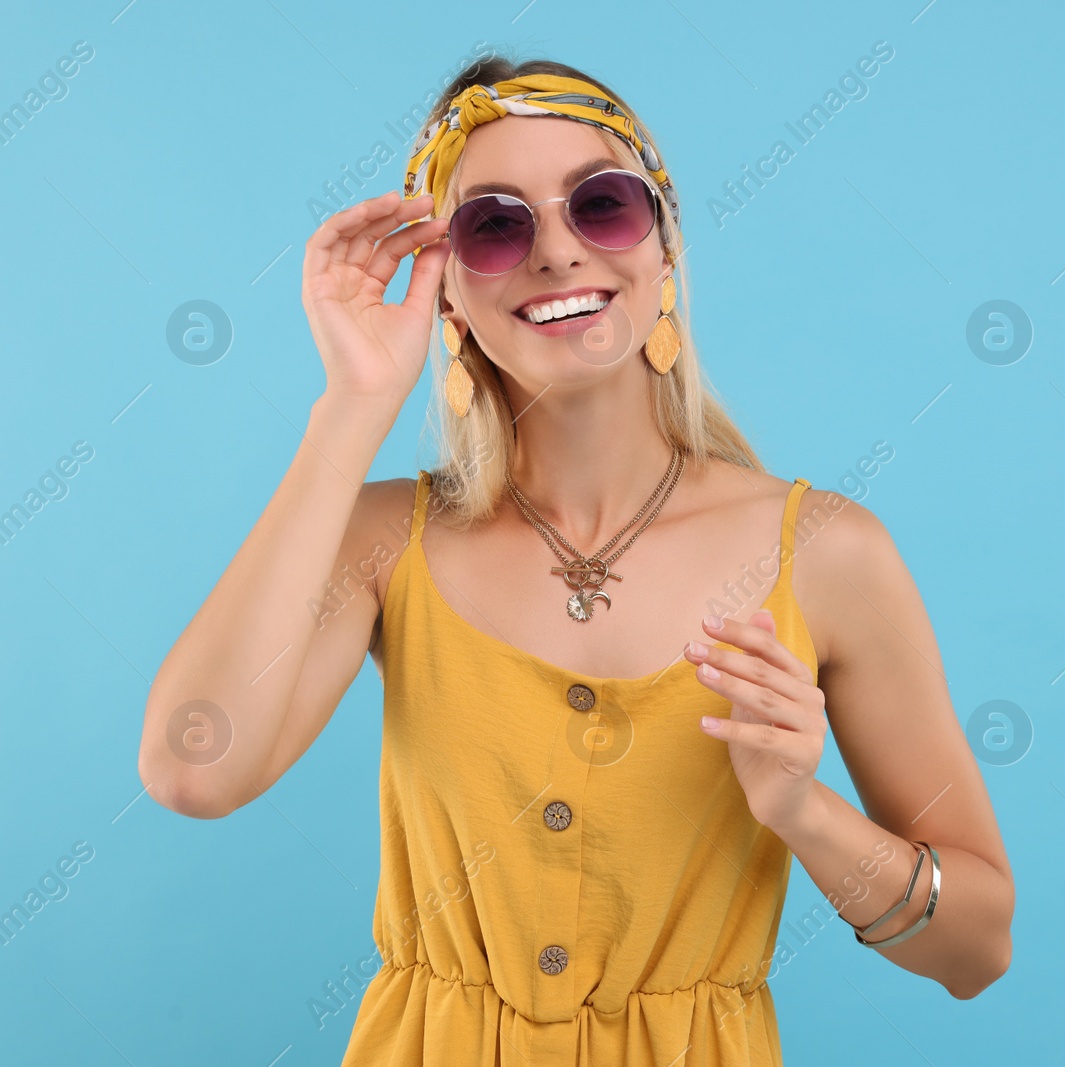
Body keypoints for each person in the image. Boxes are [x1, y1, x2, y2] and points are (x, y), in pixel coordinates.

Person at [138, 53, 1013, 1066]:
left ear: (665, 244)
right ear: (448, 293)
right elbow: (191, 770)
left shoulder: (825, 554)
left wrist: (800, 808)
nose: (556, 251)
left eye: (601, 206)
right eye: (495, 225)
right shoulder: (386, 541)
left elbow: (976, 948)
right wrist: (352, 408)